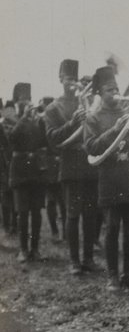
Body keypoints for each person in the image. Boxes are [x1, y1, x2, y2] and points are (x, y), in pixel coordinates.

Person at [84, 65, 129, 288]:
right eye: (109, 90)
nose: (115, 93)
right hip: (110, 179)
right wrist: (115, 130)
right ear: (99, 94)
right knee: (112, 228)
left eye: (116, 88)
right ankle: (112, 275)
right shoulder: (93, 118)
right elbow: (91, 148)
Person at [45, 60, 98, 276]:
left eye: (75, 80)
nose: (73, 84)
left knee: (91, 214)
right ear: (60, 79)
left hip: (88, 163)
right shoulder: (53, 107)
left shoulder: (86, 102)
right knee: (73, 215)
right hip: (70, 165)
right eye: (68, 80)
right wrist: (72, 123)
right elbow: (52, 139)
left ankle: (88, 258)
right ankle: (74, 260)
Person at [9, 83, 48, 262]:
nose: (26, 104)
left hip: (35, 171)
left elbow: (44, 141)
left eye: (28, 100)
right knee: (23, 212)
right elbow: (11, 138)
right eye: (23, 100)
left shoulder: (36, 120)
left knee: (36, 212)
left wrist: (42, 120)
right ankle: (23, 249)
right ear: (16, 101)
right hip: (19, 171)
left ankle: (35, 248)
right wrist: (24, 118)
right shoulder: (9, 118)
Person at [38, 97, 66, 243]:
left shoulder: (44, 120)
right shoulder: (46, 120)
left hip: (52, 161)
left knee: (56, 199)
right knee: (56, 199)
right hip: (51, 160)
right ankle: (58, 231)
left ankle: (58, 231)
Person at [0, 101, 18, 236]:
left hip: (10, 161)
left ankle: (12, 225)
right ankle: (7, 225)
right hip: (4, 162)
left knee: (10, 194)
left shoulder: (10, 123)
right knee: (7, 194)